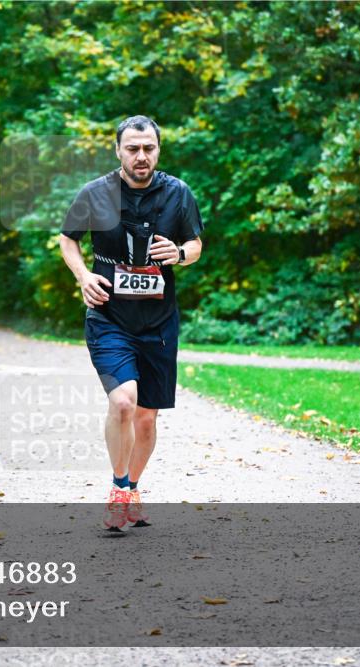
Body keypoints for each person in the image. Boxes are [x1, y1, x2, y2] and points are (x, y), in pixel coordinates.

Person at [58, 115, 204, 531]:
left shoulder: (178, 193)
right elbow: (68, 238)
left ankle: (133, 487)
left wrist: (177, 254)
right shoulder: (95, 193)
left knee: (146, 416)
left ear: (158, 149)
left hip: (159, 320)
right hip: (109, 315)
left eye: (149, 148)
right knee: (123, 401)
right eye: (133, 148)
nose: (142, 156)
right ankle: (119, 489)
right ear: (118, 150)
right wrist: (84, 276)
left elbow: (195, 244)